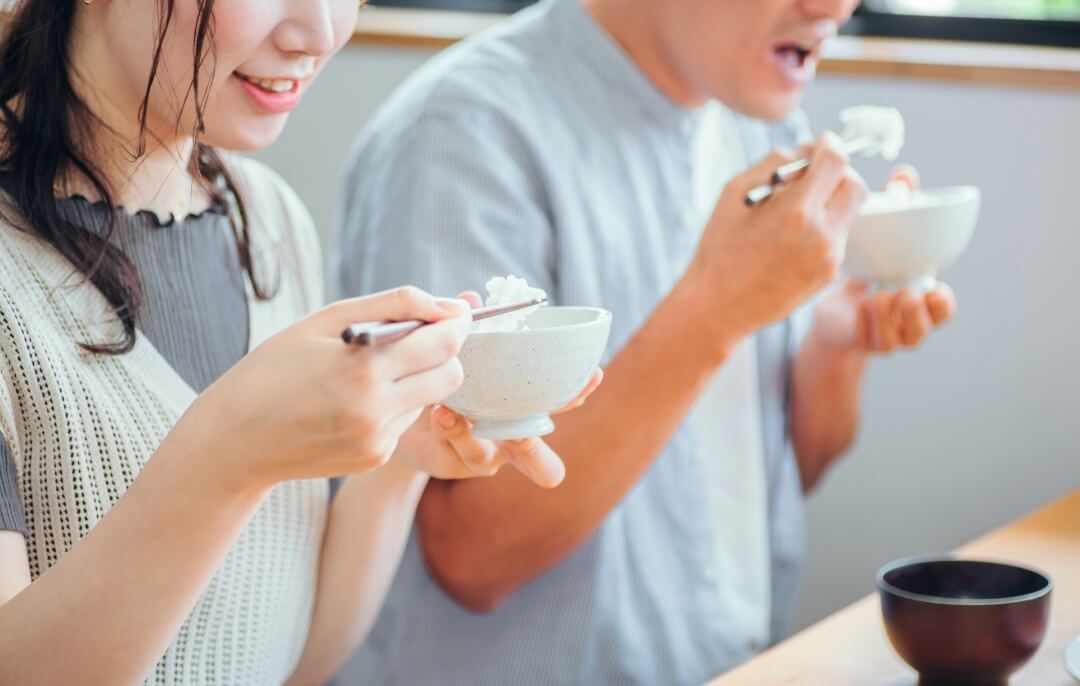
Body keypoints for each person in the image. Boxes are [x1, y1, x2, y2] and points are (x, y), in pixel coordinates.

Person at [335, 0, 956, 683]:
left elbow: (784, 479)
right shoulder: (465, 137)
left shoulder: (762, 124)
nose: (832, 6)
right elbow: (473, 555)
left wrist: (838, 347)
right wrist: (715, 314)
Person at [0, 1, 598, 684]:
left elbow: (296, 662)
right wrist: (224, 457)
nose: (319, 34)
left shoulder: (270, 220)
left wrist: (401, 463)